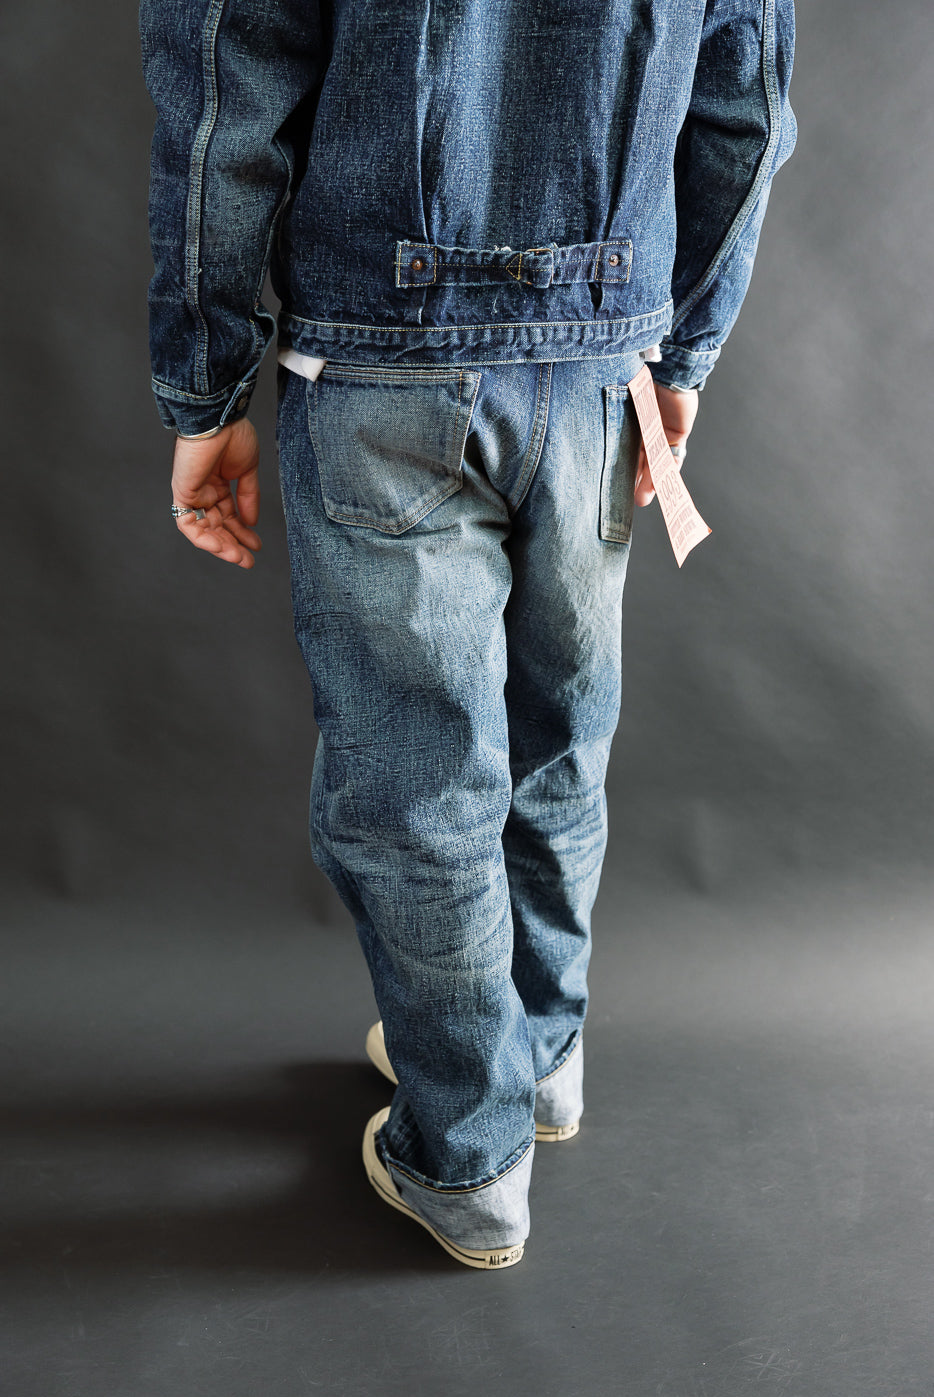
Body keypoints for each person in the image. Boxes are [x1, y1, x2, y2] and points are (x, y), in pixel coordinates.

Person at [142, 0, 796, 1269]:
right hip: (601, 368)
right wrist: (683, 355)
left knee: (418, 787)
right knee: (559, 735)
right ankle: (538, 1060)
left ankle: (465, 1149)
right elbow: (746, 109)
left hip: (381, 371)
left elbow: (226, 97)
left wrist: (204, 383)